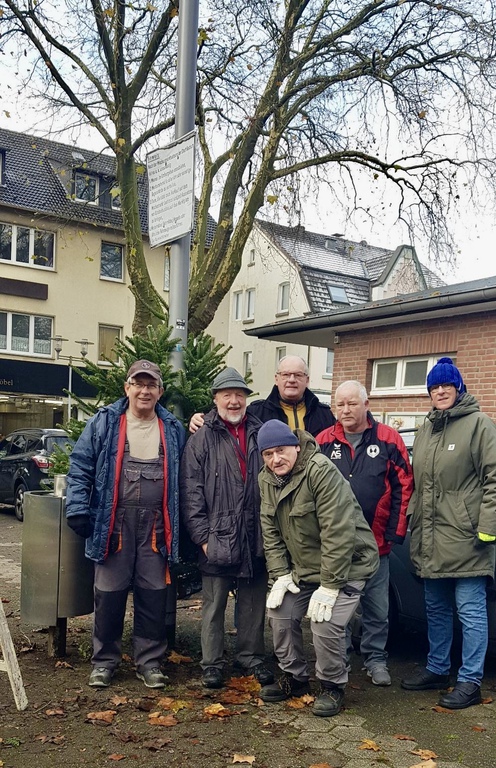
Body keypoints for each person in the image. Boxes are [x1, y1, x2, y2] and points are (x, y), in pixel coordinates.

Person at [66, 360, 185, 689]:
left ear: (160, 391)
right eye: (138, 384)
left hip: (156, 528)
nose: (145, 391)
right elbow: (80, 466)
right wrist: (77, 509)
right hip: (113, 524)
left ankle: (149, 662)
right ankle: (104, 662)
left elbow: (185, 479)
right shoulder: (105, 422)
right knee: (108, 594)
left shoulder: (172, 429)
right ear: (127, 387)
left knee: (153, 595)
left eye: (151, 385)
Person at [257, 419, 379, 717]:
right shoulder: (267, 479)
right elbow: (270, 531)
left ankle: (332, 685)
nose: (276, 459)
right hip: (304, 569)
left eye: (282, 450)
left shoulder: (320, 470)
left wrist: (330, 586)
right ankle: (296, 678)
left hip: (349, 565)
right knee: (279, 614)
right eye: (268, 454)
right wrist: (281, 575)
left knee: (325, 624)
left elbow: (338, 530)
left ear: (296, 447)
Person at [400, 357, 496, 709]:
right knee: (436, 608)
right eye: (434, 387)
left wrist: (487, 528)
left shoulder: (480, 425)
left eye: (447, 386)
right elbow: (420, 485)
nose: (440, 391)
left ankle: (470, 682)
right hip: (431, 538)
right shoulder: (427, 427)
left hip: (468, 538)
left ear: (459, 388)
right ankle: (438, 668)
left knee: (471, 611)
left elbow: (494, 479)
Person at [180, 367, 273, 689]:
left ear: (246, 399)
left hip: (255, 535)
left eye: (239, 395)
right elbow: (190, 492)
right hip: (216, 536)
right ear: (216, 399)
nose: (234, 401)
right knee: (214, 605)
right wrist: (202, 538)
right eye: (227, 395)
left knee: (252, 604)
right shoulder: (201, 437)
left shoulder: (261, 433)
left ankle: (251, 657)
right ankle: (212, 663)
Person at [316, 380, 412, 686]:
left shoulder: (388, 439)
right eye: (340, 404)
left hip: (377, 544)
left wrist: (395, 533)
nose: (345, 410)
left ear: (365, 404)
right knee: (337, 607)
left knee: (377, 608)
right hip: (335, 546)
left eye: (352, 403)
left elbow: (404, 487)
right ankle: (339, 656)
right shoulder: (322, 441)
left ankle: (375, 658)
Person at [189, 355, 335, 436]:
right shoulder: (257, 412)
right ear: (276, 379)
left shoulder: (324, 414)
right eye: (285, 375)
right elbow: (229, 415)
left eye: (298, 375)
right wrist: (202, 418)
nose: (291, 380)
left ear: (307, 380)